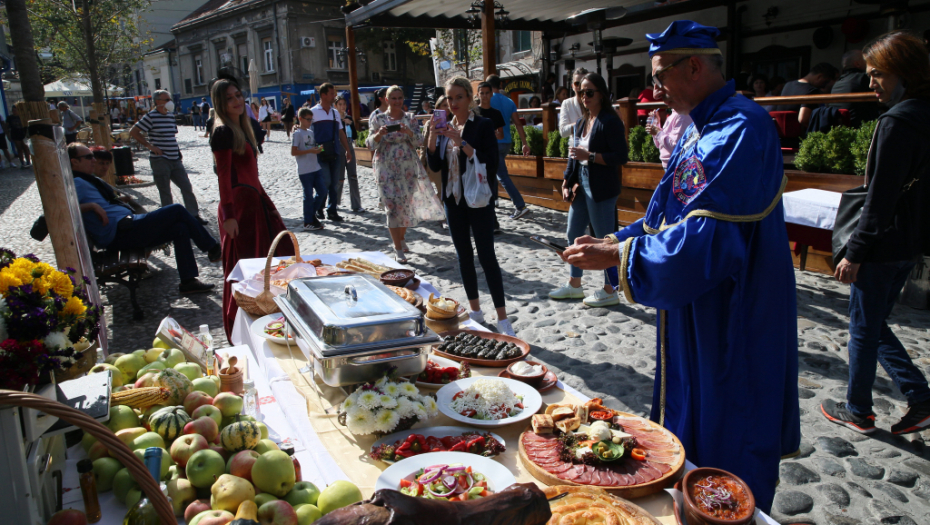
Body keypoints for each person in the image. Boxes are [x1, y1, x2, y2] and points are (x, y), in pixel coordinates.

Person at [562, 21, 800, 513]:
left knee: (731, 414)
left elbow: (708, 239)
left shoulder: (740, 127)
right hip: (697, 303)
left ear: (693, 65)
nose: (654, 90)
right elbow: (665, 218)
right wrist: (616, 239)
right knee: (689, 408)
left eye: (660, 76)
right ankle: (690, 502)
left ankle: (729, 511)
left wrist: (621, 258)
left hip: (732, 304)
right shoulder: (701, 127)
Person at [822, 31, 930, 436]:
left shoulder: (897, 121)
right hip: (910, 241)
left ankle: (861, 410)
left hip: (884, 243)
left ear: (903, 72)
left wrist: (856, 250)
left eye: (877, 74)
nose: (871, 84)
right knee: (875, 324)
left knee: (864, 330)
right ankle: (915, 397)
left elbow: (880, 196)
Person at [426, 77, 513, 337]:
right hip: (453, 200)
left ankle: (502, 317)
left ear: (469, 98)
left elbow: (489, 161)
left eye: (458, 97)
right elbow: (434, 165)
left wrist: (461, 142)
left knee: (487, 257)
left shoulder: (482, 125)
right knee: (463, 257)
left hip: (478, 199)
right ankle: (475, 311)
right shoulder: (444, 127)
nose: (453, 103)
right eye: (449, 98)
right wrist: (432, 134)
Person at [69, 142, 218, 293]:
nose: (93, 160)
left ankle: (188, 281)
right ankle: (213, 248)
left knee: (180, 228)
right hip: (119, 232)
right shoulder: (76, 182)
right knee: (177, 209)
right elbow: (62, 209)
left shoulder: (86, 179)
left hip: (125, 228)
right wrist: (91, 207)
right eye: (89, 157)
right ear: (74, 161)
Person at [210, 78, 293, 339]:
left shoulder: (241, 127)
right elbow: (224, 176)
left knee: (273, 256)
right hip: (239, 207)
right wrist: (230, 215)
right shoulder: (223, 131)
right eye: (230, 98)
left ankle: (267, 314)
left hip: (254, 201)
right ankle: (242, 323)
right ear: (221, 104)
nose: (237, 101)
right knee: (247, 265)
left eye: (238, 95)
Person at [549, 72, 627, 308]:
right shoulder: (581, 122)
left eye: (589, 92)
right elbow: (574, 156)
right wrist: (566, 180)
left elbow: (621, 156)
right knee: (573, 233)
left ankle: (610, 289)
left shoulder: (610, 121)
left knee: (606, 242)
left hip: (602, 187)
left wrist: (591, 156)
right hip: (582, 184)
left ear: (601, 94)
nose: (585, 96)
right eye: (581, 92)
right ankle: (575, 285)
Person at [367, 85, 444, 262]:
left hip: (407, 168)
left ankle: (401, 237)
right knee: (392, 208)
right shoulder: (378, 118)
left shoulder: (410, 118)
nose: (397, 101)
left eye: (399, 98)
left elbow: (419, 141)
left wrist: (408, 131)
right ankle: (397, 247)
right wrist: (379, 134)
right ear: (386, 100)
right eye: (393, 98)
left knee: (405, 206)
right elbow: (369, 143)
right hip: (386, 167)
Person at [130, 89, 205, 224]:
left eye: (170, 99)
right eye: (166, 100)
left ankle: (194, 215)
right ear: (158, 102)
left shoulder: (170, 116)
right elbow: (134, 131)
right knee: (165, 191)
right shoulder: (150, 116)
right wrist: (149, 146)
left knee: (186, 187)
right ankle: (169, 219)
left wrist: (177, 151)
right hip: (160, 160)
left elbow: (171, 136)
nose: (170, 102)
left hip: (175, 158)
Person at [486, 74, 531, 224]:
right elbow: (518, 123)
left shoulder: (487, 100)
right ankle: (495, 200)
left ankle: (520, 205)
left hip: (494, 141)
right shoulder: (509, 101)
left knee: (501, 175)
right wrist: (524, 142)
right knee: (493, 171)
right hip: (507, 142)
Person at [312, 83, 354, 222]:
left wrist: (347, 150)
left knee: (335, 183)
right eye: (331, 93)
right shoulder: (313, 112)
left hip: (335, 151)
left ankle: (332, 210)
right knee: (326, 181)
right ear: (323, 95)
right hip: (320, 152)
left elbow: (340, 132)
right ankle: (318, 208)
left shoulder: (335, 113)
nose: (334, 96)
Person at [774, 62, 838, 129]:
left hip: (781, 132)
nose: (824, 86)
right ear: (820, 76)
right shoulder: (811, 91)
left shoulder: (788, 85)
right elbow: (803, 119)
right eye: (825, 82)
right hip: (798, 135)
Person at [292, 107, 326, 231]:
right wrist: (310, 150)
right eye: (308, 119)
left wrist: (318, 149)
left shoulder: (310, 132)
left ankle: (311, 215)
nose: (310, 122)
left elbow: (313, 147)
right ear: (300, 119)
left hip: (315, 167)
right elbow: (293, 152)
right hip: (304, 170)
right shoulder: (297, 134)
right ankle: (308, 221)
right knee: (308, 196)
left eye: (311, 120)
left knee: (322, 191)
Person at [830, 49, 881, 128]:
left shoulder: (838, 82)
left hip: (840, 129)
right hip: (859, 128)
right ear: (857, 64)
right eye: (866, 60)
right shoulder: (863, 78)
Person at [335, 95, 364, 213]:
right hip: (339, 149)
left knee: (353, 176)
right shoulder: (334, 119)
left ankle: (356, 204)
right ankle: (335, 202)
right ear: (336, 106)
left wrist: (350, 124)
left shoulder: (349, 118)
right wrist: (342, 122)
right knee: (339, 177)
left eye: (344, 104)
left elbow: (355, 136)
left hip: (350, 147)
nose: (342, 106)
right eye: (340, 104)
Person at [646, 102, 692, 169]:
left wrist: (657, 132)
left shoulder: (682, 116)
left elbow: (675, 147)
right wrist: (657, 123)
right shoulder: (674, 114)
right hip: (669, 165)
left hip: (676, 165)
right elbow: (659, 145)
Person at [559, 68, 589, 138]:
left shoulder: (594, 101)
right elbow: (563, 131)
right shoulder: (567, 103)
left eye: (583, 83)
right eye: (577, 83)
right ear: (572, 86)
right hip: (575, 145)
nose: (580, 87)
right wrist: (582, 123)